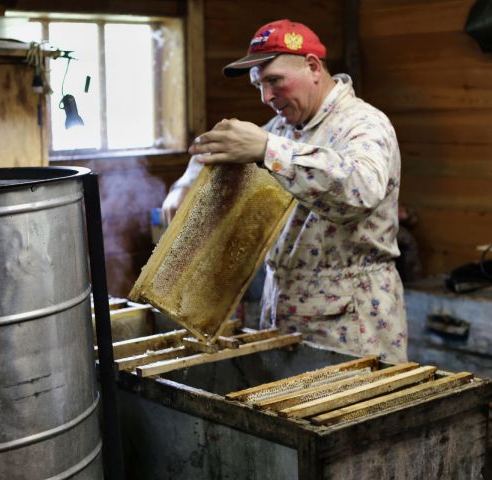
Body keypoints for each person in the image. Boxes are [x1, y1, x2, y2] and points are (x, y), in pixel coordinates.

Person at [162, 19, 407, 363]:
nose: (266, 97)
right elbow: (219, 150)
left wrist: (268, 150)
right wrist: (185, 183)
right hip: (281, 310)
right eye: (258, 85)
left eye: (274, 81)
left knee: (349, 416)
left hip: (351, 321)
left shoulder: (364, 123)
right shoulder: (282, 128)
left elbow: (360, 191)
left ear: (311, 66)